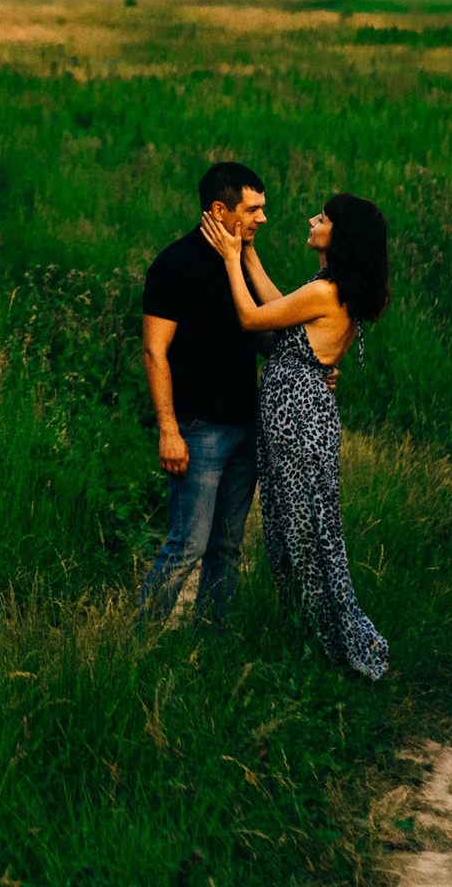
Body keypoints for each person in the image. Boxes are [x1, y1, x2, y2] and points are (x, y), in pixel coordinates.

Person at [199, 192, 391, 682]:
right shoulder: (329, 286)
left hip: (298, 420)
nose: (313, 219)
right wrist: (247, 251)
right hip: (304, 414)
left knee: (305, 530)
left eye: (322, 218)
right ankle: (311, 631)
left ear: (339, 235)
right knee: (301, 526)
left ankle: (328, 638)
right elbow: (278, 303)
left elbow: (251, 317)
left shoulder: (326, 292)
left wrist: (229, 259)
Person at [137, 161, 276, 625]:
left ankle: (212, 642)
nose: (261, 218)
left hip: (246, 426)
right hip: (199, 430)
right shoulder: (174, 265)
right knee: (187, 545)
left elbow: (267, 336)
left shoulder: (239, 266)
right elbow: (155, 352)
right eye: (252, 209)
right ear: (220, 209)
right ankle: (139, 640)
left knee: (227, 547)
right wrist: (169, 430)